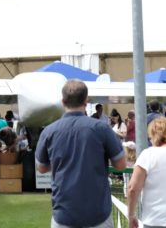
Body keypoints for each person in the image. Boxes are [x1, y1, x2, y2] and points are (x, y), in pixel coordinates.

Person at [36, 79, 126, 228]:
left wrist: (61, 161)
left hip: (63, 213)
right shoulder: (101, 128)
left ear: (63, 102)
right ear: (86, 101)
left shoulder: (49, 131)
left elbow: (42, 167)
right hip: (98, 213)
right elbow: (121, 164)